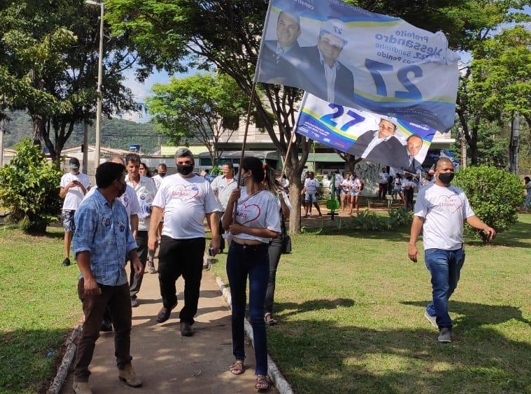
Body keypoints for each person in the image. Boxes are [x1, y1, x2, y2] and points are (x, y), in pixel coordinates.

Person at [71, 162, 143, 394]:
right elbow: (80, 246)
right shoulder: (89, 208)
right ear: (115, 182)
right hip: (97, 282)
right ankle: (80, 378)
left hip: (118, 279)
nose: (125, 182)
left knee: (123, 327)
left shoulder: (119, 206)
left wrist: (134, 257)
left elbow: (127, 237)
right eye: (123, 178)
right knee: (91, 332)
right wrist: (88, 278)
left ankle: (125, 367)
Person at [408, 157, 496, 343]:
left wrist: (485, 226)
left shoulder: (459, 193)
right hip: (435, 249)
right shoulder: (427, 192)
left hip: (456, 249)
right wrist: (412, 244)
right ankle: (445, 327)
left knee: (452, 285)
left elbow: (469, 217)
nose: (450, 172)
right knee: (441, 287)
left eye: (452, 169)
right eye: (446, 169)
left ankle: (432, 310)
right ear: (436, 171)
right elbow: (418, 219)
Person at [222, 157, 281, 392]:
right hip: (236, 253)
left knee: (256, 315)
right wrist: (230, 202)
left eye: (240, 171)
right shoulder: (237, 195)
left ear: (248, 173)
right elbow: (227, 225)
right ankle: (238, 357)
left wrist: (244, 228)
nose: (238, 174)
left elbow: (273, 232)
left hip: (258, 256)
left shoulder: (268, 198)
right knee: (237, 309)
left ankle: (261, 371)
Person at [147, 148, 220, 337]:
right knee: (165, 276)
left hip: (194, 241)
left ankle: (187, 319)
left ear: (193, 163)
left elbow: (212, 212)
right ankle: (169, 302)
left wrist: (215, 237)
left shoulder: (203, 184)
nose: (184, 165)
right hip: (170, 239)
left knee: (193, 282)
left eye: (187, 162)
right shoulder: (168, 182)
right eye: (181, 162)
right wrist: (152, 235)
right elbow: (157, 209)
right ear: (175, 163)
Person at [125, 153, 158, 305]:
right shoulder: (121, 182)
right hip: (122, 229)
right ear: (126, 167)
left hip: (143, 228)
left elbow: (157, 204)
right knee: (120, 262)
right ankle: (119, 293)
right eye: (131, 166)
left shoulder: (149, 183)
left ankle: (132, 293)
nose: (134, 169)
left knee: (138, 263)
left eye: (137, 167)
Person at [299, 19, 354, 105]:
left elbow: (347, 104)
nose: (330, 47)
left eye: (336, 45)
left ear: (341, 49)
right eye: (326, 41)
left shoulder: (347, 75)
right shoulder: (302, 55)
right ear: (318, 39)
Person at [264, 174, 291, 325]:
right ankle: (254, 306)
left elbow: (287, 214)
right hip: (257, 238)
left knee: (270, 273)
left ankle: (267, 310)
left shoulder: (279, 193)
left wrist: (281, 198)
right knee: (255, 272)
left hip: (275, 238)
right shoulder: (254, 191)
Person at [259, 10, 305, 85]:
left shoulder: (303, 58)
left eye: (291, 27)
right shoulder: (264, 46)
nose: (285, 29)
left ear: (298, 33)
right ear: (277, 26)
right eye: (282, 24)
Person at [59, 157, 91, 267]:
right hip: (68, 207)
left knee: (80, 233)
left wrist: (80, 185)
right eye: (73, 169)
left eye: (76, 168)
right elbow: (61, 194)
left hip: (81, 208)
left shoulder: (85, 177)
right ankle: (66, 257)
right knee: (68, 232)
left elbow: (88, 194)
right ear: (70, 167)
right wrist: (68, 186)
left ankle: (79, 255)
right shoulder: (65, 177)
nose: (75, 170)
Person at [211, 162, 238, 253]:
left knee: (228, 230)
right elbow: (212, 190)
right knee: (218, 229)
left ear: (231, 170)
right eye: (223, 169)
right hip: (219, 208)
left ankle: (231, 248)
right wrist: (215, 196)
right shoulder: (218, 179)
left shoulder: (236, 182)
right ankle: (219, 248)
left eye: (226, 169)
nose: (224, 171)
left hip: (230, 210)